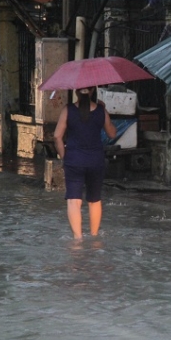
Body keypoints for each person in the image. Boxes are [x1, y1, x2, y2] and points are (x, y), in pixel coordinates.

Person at [53, 86, 117, 240]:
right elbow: (112, 134)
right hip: (96, 161)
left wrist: (64, 157)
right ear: (93, 91)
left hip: (74, 161)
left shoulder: (68, 110)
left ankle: (78, 239)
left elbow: (57, 137)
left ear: (76, 91)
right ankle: (94, 238)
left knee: (74, 201)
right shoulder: (101, 111)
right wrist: (104, 111)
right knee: (94, 200)